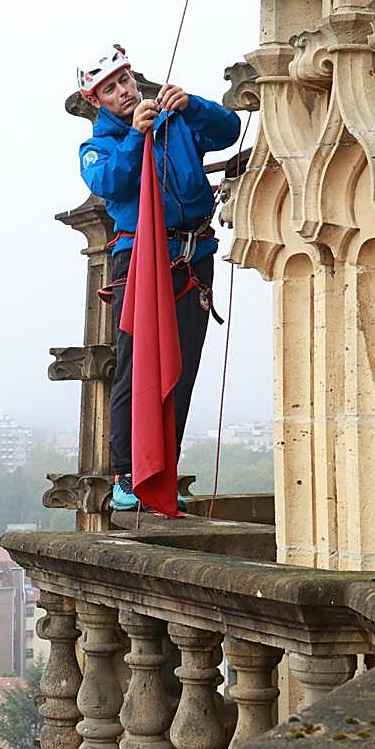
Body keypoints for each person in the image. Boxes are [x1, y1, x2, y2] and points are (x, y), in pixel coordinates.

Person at [76, 45, 241, 510]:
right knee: (137, 367)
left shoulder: (176, 120)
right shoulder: (97, 147)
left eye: (124, 81)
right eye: (110, 89)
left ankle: (162, 474)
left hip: (193, 258)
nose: (123, 92)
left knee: (180, 369)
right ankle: (127, 475)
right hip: (142, 262)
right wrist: (135, 137)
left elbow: (228, 130)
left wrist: (194, 104)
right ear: (97, 101)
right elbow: (112, 183)